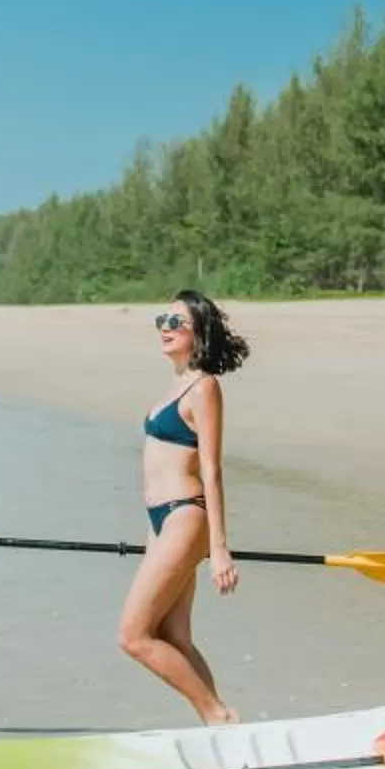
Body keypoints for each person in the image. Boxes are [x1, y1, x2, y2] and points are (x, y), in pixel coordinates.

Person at [123, 289, 250, 723]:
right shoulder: (174, 386)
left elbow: (212, 470)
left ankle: (218, 716)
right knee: (175, 635)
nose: (165, 328)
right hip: (161, 522)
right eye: (162, 319)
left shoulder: (204, 388)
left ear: (199, 332)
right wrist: (152, 536)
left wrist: (219, 548)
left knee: (134, 636)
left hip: (186, 514)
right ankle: (220, 726)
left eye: (177, 322)